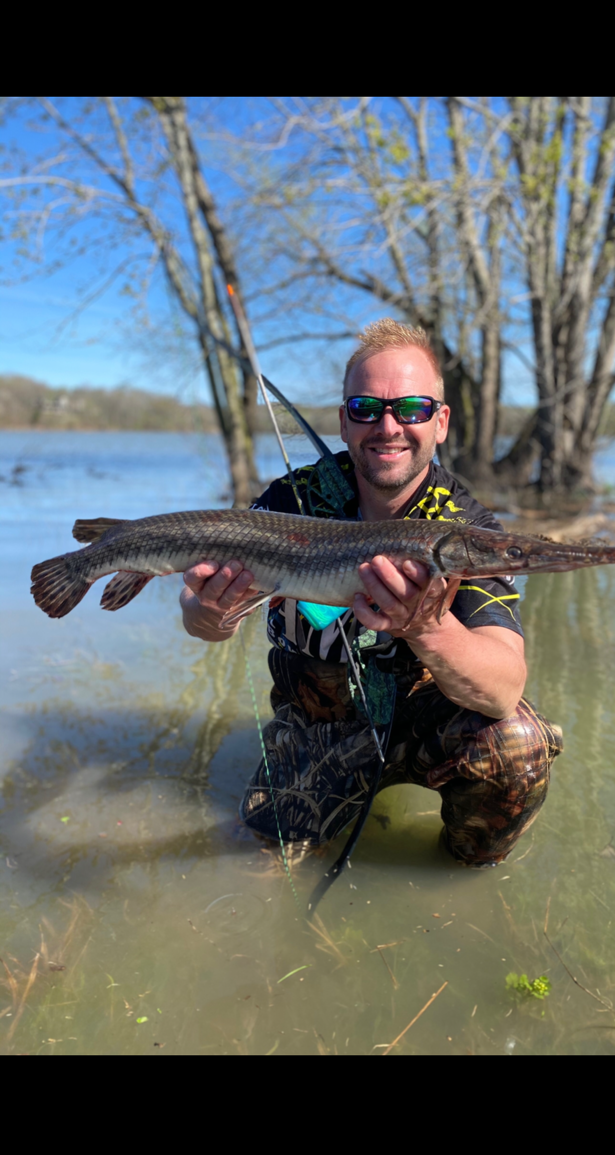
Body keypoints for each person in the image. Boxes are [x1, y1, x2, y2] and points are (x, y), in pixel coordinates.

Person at [180, 320, 562, 866]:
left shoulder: (467, 530)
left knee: (518, 743)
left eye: (412, 409)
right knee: (258, 860)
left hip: (426, 723)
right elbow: (198, 620)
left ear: (441, 422)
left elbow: (502, 690)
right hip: (317, 726)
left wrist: (428, 629)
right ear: (343, 420)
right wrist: (211, 612)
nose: (389, 426)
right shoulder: (289, 501)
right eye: (366, 407)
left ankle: (455, 885)